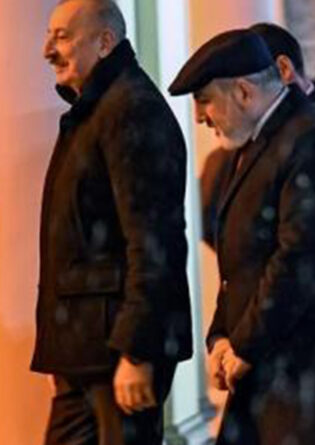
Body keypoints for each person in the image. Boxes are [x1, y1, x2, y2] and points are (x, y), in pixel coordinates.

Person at [169, 29, 315, 445]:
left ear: (243, 92)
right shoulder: (261, 142)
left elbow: (299, 260)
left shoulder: (314, 141)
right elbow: (244, 260)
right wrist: (222, 336)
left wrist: (243, 344)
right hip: (277, 376)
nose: (200, 116)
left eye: (204, 100)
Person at [33, 0, 193, 444]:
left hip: (116, 350)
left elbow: (154, 240)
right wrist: (62, 351)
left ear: (105, 42)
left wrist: (137, 350)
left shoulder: (131, 109)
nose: (47, 50)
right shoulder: (99, 108)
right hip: (88, 350)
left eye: (62, 37)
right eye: (49, 36)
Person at [200, 22, 315, 261]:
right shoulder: (236, 141)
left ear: (283, 69)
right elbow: (212, 221)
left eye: (248, 80)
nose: (241, 95)